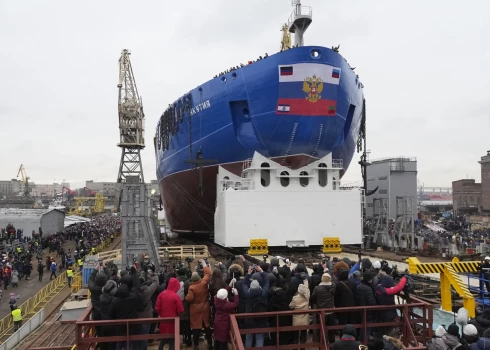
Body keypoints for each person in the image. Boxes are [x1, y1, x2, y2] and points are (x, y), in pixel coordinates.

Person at [186, 259, 212, 350]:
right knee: (207, 326)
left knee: (196, 328)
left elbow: (189, 299)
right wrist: (204, 264)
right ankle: (210, 344)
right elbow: (208, 274)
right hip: (205, 307)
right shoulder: (203, 283)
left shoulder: (191, 287)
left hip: (195, 310)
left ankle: (196, 346)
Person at [155, 277, 184, 350]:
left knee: (163, 338)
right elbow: (181, 310)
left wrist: (162, 314)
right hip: (173, 322)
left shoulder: (161, 294)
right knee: (172, 340)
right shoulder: (176, 296)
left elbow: (157, 308)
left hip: (163, 321)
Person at [290, 279, 310, 346]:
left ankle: (295, 346)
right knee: (303, 335)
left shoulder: (295, 298)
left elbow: (291, 306)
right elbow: (307, 289)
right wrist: (306, 281)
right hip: (305, 319)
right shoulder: (307, 297)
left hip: (296, 319)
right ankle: (302, 347)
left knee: (296, 335)